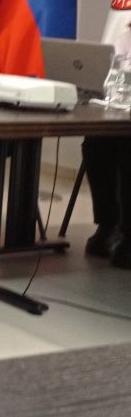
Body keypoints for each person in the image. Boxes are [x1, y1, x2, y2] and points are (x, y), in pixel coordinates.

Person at [82, 20, 131, 269]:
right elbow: (111, 77)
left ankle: (128, 233)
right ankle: (108, 225)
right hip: (124, 114)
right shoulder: (126, 37)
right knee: (96, 141)